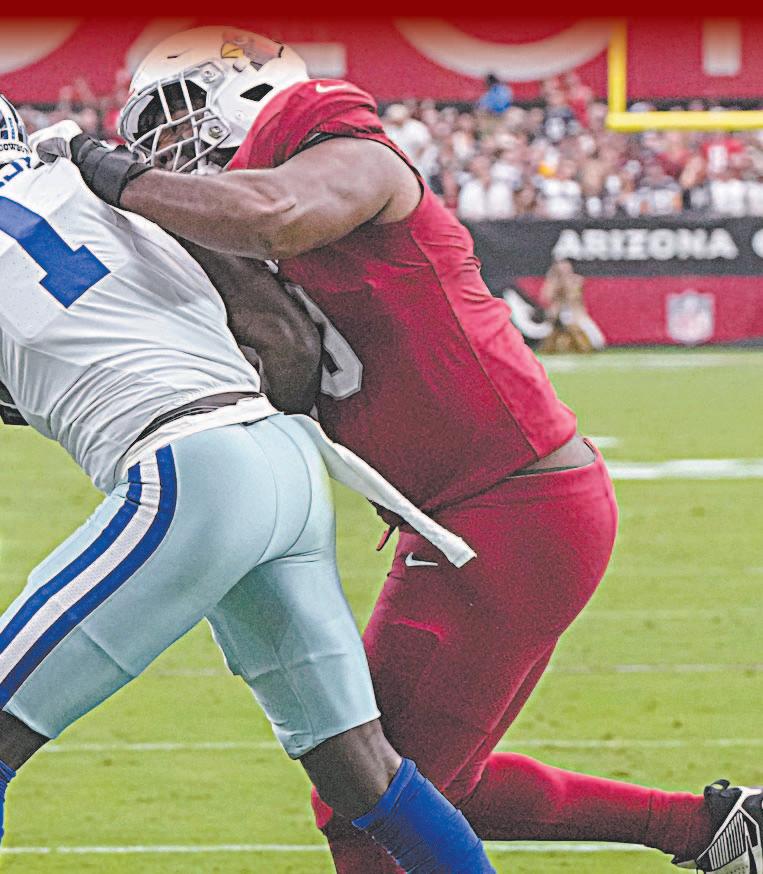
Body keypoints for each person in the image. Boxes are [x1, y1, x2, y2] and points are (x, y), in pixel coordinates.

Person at [47, 26, 763, 874]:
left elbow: (278, 215)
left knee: (365, 801)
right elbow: (287, 372)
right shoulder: (233, 223)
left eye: (175, 116)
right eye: (149, 134)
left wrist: (114, 175)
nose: (165, 147)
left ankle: (705, 831)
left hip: (508, 506)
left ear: (245, 90)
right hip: (470, 512)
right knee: (421, 788)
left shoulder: (341, 147)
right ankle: (712, 830)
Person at [0, 94, 498, 873]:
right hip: (281, 456)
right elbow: (278, 335)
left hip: (188, 474)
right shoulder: (86, 176)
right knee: (361, 771)